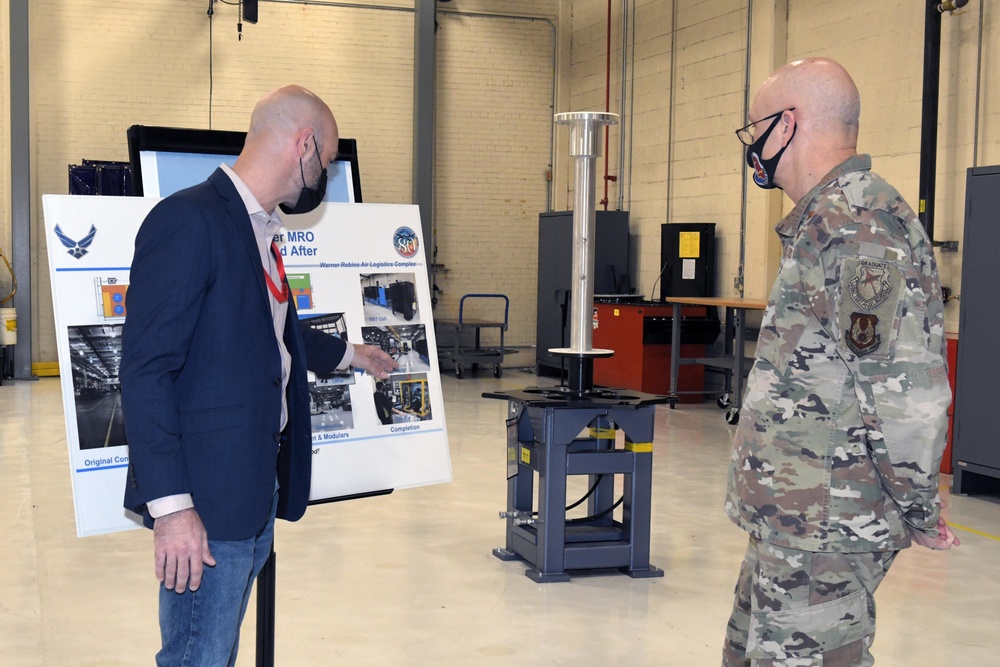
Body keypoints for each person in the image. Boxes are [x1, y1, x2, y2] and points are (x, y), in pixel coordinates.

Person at [120, 85, 398, 666]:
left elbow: (270, 339)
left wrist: (353, 355)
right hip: (206, 503)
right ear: (304, 143)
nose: (321, 176)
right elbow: (146, 372)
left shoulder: (260, 231)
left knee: (215, 653)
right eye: (323, 163)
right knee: (197, 656)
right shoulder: (188, 221)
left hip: (252, 492)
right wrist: (172, 511)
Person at [723, 58, 960, 667]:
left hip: (828, 524)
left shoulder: (857, 224)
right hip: (794, 518)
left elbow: (905, 394)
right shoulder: (828, 218)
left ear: (788, 124)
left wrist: (918, 506)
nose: (753, 146)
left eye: (756, 129)